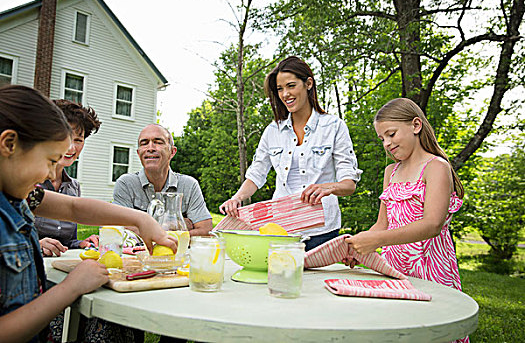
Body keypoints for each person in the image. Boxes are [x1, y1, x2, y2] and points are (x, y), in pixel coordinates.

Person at [0, 85, 176, 343]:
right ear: (9, 144)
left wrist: (141, 219)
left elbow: (75, 208)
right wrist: (71, 288)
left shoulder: (22, 196)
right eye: (50, 160)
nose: (51, 174)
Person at [345, 98, 468, 342]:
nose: (387, 144)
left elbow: (432, 224)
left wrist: (377, 239)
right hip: (395, 270)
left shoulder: (436, 167)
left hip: (431, 271)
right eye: (382, 139)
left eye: (391, 134)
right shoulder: (391, 172)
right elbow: (382, 223)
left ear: (415, 125)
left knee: (430, 332)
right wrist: (358, 245)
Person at [219, 56, 362, 251]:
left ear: (308, 84)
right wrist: (236, 198)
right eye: (279, 89)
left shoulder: (334, 127)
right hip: (282, 230)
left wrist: (327, 187)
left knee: (316, 282)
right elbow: (256, 174)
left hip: (323, 231)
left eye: (291, 86)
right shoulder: (272, 131)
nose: (285, 94)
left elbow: (349, 184)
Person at [113, 123, 213, 236]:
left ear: (172, 152)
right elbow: (117, 228)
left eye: (158, 142)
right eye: (144, 143)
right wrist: (175, 225)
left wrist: (141, 227)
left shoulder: (189, 185)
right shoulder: (126, 184)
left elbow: (205, 231)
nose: (150, 148)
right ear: (138, 153)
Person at [36, 99, 102, 257]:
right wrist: (36, 244)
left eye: (79, 140)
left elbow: (67, 240)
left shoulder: (73, 187)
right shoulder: (25, 182)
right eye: (65, 137)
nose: (71, 148)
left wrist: (81, 243)